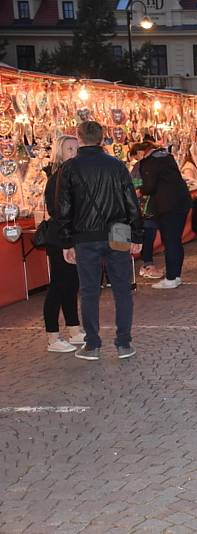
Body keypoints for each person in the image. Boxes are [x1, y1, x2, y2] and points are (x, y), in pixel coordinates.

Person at [56, 121, 144, 361]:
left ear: (79, 137)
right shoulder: (117, 165)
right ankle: (124, 343)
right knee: (122, 289)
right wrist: (137, 234)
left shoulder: (70, 168)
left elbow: (63, 208)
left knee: (89, 291)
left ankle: (93, 344)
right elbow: (131, 202)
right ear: (102, 138)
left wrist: (66, 242)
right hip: (118, 230)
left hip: (85, 234)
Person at [42, 135, 84, 353]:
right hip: (60, 238)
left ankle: (74, 329)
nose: (74, 152)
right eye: (69, 149)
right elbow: (57, 211)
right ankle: (52, 337)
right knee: (59, 286)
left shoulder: (72, 176)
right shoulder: (57, 178)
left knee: (72, 284)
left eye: (76, 148)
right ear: (60, 152)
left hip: (71, 237)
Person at [139, 140, 192, 289]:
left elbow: (149, 186)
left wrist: (140, 190)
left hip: (166, 206)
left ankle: (171, 278)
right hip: (181, 203)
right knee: (175, 241)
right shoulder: (167, 157)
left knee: (170, 241)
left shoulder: (149, 162)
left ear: (142, 152)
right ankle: (176, 276)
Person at [129, 143, 163, 281]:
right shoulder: (138, 167)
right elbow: (135, 189)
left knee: (149, 235)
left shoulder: (148, 166)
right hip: (143, 209)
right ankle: (147, 265)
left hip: (150, 208)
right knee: (147, 236)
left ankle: (147, 264)